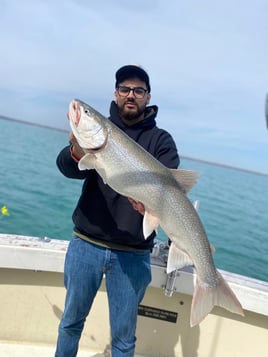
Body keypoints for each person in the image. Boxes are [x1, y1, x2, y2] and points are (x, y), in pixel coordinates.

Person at [55, 65, 180, 357]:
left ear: (148, 97)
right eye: (124, 89)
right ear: (116, 93)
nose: (131, 95)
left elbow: (171, 193)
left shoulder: (161, 141)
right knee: (70, 324)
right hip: (85, 244)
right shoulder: (100, 132)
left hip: (133, 254)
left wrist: (150, 206)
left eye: (138, 90)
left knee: (124, 340)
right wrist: (76, 147)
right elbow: (68, 168)